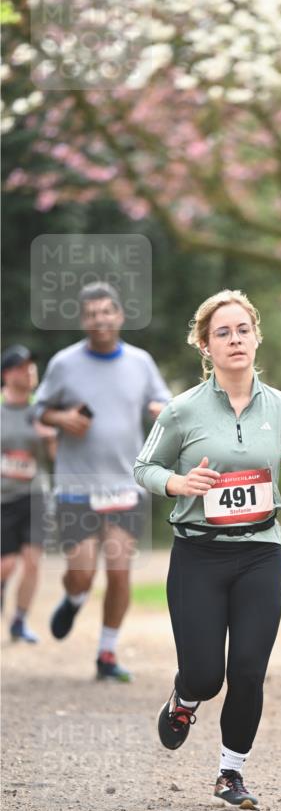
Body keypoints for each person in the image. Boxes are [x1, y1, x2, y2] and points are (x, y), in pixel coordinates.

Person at [133, 289, 281, 810]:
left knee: (248, 669)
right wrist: (178, 484)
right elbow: (144, 468)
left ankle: (230, 773)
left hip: (261, 553)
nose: (235, 339)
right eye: (223, 332)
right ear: (206, 346)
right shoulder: (182, 410)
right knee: (206, 674)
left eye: (243, 329)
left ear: (256, 336)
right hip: (198, 554)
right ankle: (184, 699)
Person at [34, 282, 171, 681]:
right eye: (92, 314)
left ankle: (107, 654)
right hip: (76, 485)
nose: (100, 320)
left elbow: (162, 402)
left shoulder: (140, 362)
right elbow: (40, 410)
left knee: (118, 571)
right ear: (83, 320)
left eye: (106, 312)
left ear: (119, 316)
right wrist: (61, 419)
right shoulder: (64, 363)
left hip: (125, 483)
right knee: (81, 572)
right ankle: (74, 597)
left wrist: (158, 408)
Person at [1, 345, 56, 642]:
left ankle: (19, 621)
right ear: (7, 374)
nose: (30, 371)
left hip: (35, 495)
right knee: (6, 564)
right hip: (3, 499)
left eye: (32, 366)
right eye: (23, 367)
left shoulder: (41, 412)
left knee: (32, 560)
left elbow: (57, 457)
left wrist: (49, 439)